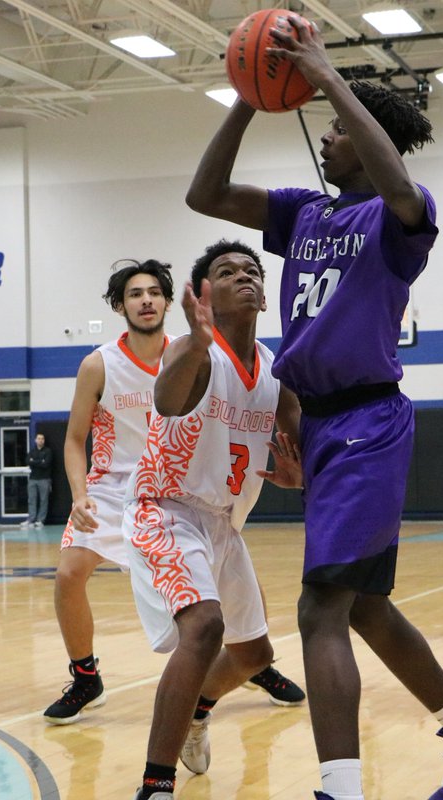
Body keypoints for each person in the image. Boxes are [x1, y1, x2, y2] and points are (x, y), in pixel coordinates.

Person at [185, 19, 443, 800]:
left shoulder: (403, 216)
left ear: (371, 139)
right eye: (329, 126)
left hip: (368, 423)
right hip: (319, 421)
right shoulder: (305, 213)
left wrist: (329, 76)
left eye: (338, 129)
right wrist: (247, 98)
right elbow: (204, 195)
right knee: (364, 606)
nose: (327, 139)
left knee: (317, 611)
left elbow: (398, 185)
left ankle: (341, 789)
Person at [45, 258, 304, 727]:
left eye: (153, 293)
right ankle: (86, 676)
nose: (145, 300)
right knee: (68, 575)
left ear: (168, 301)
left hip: (186, 479)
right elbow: (73, 439)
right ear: (120, 305)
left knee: (233, 567)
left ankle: (254, 663)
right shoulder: (99, 363)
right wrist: (79, 494)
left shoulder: (195, 350)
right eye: (133, 294)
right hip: (114, 484)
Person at [126, 241, 302, 800]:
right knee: (203, 628)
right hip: (166, 509)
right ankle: (156, 783)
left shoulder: (277, 369)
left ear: (264, 297)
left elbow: (298, 441)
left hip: (224, 524)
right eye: (226, 272)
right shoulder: (192, 352)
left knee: (256, 656)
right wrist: (197, 342)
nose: (244, 276)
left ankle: (199, 710)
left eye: (252, 270)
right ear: (205, 296)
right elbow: (168, 395)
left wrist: (302, 475)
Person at [24, 433, 54, 528]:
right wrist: (40, 461)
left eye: (42, 438)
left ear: (44, 441)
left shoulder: (48, 451)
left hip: (44, 479)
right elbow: (28, 461)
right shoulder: (32, 451)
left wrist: (34, 461)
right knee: (32, 499)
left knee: (43, 500)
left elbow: (46, 464)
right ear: (35, 440)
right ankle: (31, 519)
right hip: (33, 479)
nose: (40, 440)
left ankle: (40, 520)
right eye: (39, 438)